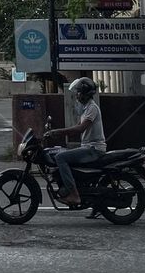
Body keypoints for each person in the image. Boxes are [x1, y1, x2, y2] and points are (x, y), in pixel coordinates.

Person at [43, 78, 106, 206]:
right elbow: (76, 127)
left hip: (94, 149)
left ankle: (74, 194)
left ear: (85, 94)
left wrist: (58, 132)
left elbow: (80, 128)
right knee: (62, 152)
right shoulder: (85, 108)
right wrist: (57, 131)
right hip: (88, 147)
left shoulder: (92, 108)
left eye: (78, 92)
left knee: (60, 157)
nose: (76, 95)